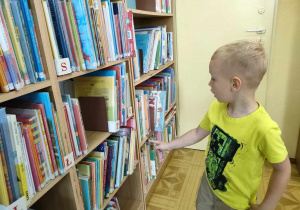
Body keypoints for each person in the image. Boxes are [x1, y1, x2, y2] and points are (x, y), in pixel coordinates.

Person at [150, 41, 291, 210]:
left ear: (234, 84)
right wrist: (168, 145)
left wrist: (267, 206)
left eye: (213, 78)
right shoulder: (217, 108)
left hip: (236, 202)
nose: (210, 84)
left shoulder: (264, 128)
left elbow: (283, 169)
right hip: (208, 183)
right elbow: (197, 133)